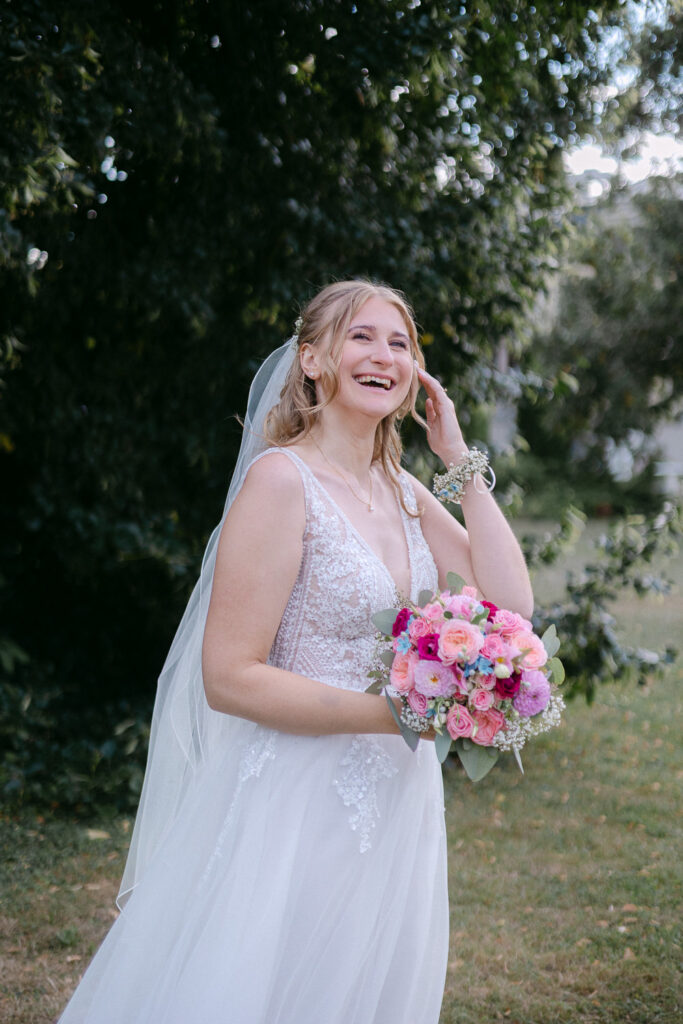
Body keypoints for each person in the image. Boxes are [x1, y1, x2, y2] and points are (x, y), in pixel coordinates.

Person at [58, 280, 533, 1024]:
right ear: (311, 359)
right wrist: (400, 714)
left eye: (400, 343)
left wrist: (457, 457)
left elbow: (511, 605)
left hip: (397, 795)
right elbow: (229, 677)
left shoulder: (401, 487)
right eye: (361, 337)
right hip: (296, 795)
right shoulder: (281, 482)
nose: (384, 356)